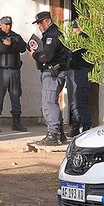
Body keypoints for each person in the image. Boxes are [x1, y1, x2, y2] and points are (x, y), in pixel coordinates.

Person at [29, 11, 70, 146]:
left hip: (53, 73)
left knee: (48, 103)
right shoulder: (51, 33)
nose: (39, 26)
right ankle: (59, 134)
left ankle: (52, 135)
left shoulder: (52, 35)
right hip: (54, 73)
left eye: (41, 22)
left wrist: (34, 55)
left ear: (47, 20)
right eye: (37, 23)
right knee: (53, 103)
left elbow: (47, 56)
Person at [0, 16, 28, 132]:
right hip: (1, 71)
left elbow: (23, 48)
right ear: (1, 25)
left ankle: (16, 123)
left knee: (16, 96)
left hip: (14, 70)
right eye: (6, 24)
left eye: (9, 24)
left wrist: (11, 44)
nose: (8, 26)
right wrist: (7, 46)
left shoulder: (15, 36)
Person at [64, 20, 93, 137]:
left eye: (74, 29)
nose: (73, 31)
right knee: (76, 100)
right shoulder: (78, 40)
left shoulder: (83, 39)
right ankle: (78, 125)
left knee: (80, 100)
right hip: (77, 72)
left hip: (81, 72)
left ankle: (84, 125)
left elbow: (78, 57)